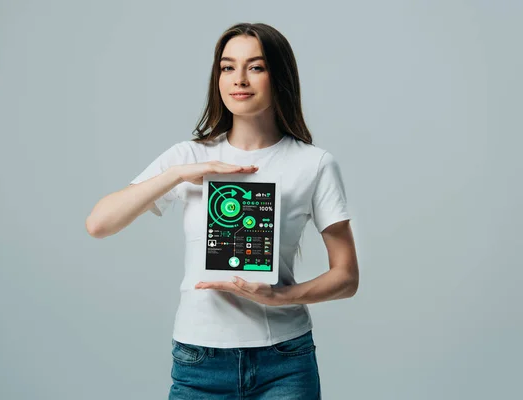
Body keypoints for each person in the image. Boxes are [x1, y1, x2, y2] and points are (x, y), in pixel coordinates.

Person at [86, 22, 359, 400]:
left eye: (256, 67)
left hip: (284, 359)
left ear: (278, 76)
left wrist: (280, 296)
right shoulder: (189, 156)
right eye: (228, 67)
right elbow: (99, 224)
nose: (239, 79)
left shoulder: (314, 164)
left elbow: (346, 276)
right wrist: (180, 174)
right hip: (199, 362)